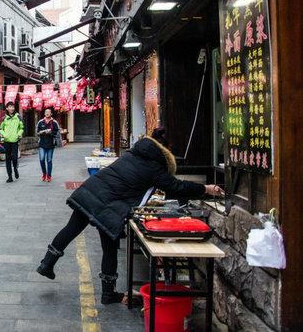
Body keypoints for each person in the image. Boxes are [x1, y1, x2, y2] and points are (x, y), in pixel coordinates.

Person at [36, 128, 224, 304]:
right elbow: (177, 187)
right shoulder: (155, 166)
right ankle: (108, 293)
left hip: (92, 190)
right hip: (108, 206)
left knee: (71, 229)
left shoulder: (135, 153)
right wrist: (205, 188)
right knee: (109, 246)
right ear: (166, 153)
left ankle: (46, 264)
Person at [0, 101, 24, 183]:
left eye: (13, 107)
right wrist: (4, 135)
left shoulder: (18, 117)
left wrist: (19, 134)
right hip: (6, 141)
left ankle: (15, 168)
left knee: (14, 157)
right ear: (7, 108)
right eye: (10, 107)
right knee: (8, 159)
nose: (12, 108)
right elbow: (0, 129)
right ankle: (10, 176)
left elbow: (21, 127)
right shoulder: (4, 118)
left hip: (15, 140)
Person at [36, 109, 59, 182]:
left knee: (49, 160)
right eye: (46, 112)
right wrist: (42, 132)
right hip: (42, 144)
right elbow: (37, 132)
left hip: (50, 144)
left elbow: (57, 133)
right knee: (42, 159)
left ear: (51, 114)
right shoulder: (40, 122)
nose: (47, 113)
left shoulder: (54, 122)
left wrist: (50, 132)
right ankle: (44, 173)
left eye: (48, 112)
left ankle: (49, 176)